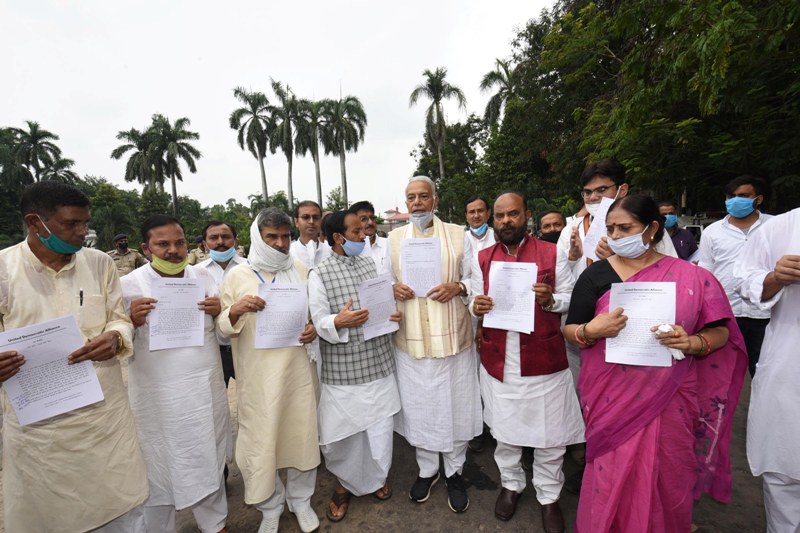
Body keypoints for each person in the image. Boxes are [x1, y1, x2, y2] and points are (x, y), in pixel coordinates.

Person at [563, 194, 747, 532]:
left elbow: (721, 331)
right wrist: (591, 330)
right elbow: (570, 329)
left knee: (669, 473)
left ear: (651, 229)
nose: (616, 236)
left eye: (625, 228)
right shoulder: (595, 276)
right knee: (610, 474)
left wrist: (693, 343)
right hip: (611, 399)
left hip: (671, 399)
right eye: (611, 229)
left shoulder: (690, 276)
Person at [0, 181, 148, 532]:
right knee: (48, 515)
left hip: (103, 419)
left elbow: (118, 316)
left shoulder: (98, 264)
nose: (84, 232)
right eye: (71, 224)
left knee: (123, 505)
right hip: (38, 429)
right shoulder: (4, 269)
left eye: (85, 223)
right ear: (35, 223)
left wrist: (115, 336)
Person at [470, 192, 583, 532]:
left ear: (526, 215)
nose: (506, 221)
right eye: (501, 215)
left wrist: (551, 300)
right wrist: (476, 307)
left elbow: (572, 297)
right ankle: (511, 483)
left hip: (544, 359)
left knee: (551, 434)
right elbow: (476, 298)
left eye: (513, 214)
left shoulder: (553, 253)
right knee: (505, 433)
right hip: (500, 359)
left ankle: (549, 496)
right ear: (494, 219)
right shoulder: (483, 256)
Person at [121, 215, 231, 533]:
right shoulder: (129, 285)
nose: (173, 250)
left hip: (204, 390)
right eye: (163, 244)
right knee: (158, 462)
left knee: (207, 456)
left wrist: (218, 311)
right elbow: (116, 338)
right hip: (158, 398)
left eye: (179, 242)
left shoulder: (203, 278)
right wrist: (131, 320)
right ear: (146, 248)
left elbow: (225, 335)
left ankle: (216, 523)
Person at [217, 208, 320, 533]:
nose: (279, 244)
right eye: (271, 237)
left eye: (284, 237)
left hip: (299, 373)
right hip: (258, 379)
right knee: (262, 442)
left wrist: (314, 327)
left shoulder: (302, 269)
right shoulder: (237, 276)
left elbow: (317, 314)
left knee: (301, 435)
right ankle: (271, 506)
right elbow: (221, 331)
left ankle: (301, 500)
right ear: (257, 238)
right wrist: (236, 309)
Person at [388, 176, 481, 513]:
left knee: (455, 405)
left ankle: (455, 471)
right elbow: (385, 281)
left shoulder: (459, 235)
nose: (417, 203)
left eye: (423, 197)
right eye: (411, 197)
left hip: (453, 340)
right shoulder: (394, 239)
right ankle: (428, 470)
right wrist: (393, 289)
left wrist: (457, 287)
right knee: (420, 407)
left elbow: (475, 280)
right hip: (412, 342)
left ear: (435, 200)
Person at [308, 210, 402, 522]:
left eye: (364, 231)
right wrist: (339, 320)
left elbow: (379, 302)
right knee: (342, 435)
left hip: (377, 361)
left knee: (378, 429)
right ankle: (345, 484)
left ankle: (375, 478)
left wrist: (391, 314)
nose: (364, 236)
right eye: (357, 232)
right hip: (342, 371)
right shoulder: (318, 273)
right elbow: (319, 319)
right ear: (337, 237)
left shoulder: (368, 262)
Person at [735, 207, 800, 532]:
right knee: (786, 476)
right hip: (791, 370)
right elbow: (746, 282)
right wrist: (776, 277)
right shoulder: (782, 228)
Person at [698, 175, 773, 377]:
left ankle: (761, 409)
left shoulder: (775, 227)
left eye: (743, 195)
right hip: (725, 313)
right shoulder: (712, 232)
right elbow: (706, 273)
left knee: (764, 372)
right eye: (731, 196)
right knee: (723, 373)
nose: (736, 200)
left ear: (758, 199)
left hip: (765, 313)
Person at [462, 194, 496, 454]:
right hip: (467, 312)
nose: (476, 216)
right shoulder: (460, 240)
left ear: (488, 214)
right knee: (472, 373)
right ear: (466, 215)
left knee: (495, 370)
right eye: (471, 212)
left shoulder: (497, 239)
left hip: (497, 313)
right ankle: (478, 427)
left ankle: (497, 426)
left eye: (480, 211)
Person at [197, 220, 247, 388]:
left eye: (226, 237)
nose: (220, 242)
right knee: (214, 403)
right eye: (214, 238)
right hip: (212, 351)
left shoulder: (252, 269)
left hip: (246, 347)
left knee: (254, 397)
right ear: (204, 244)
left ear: (235, 241)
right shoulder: (195, 274)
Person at [351, 200, 391, 276]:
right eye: (363, 219)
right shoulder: (351, 249)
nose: (370, 222)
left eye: (372, 218)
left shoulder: (388, 244)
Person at [290, 200, 330, 270]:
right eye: (305, 217)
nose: (311, 222)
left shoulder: (330, 250)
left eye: (315, 217)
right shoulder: (289, 252)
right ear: (296, 222)